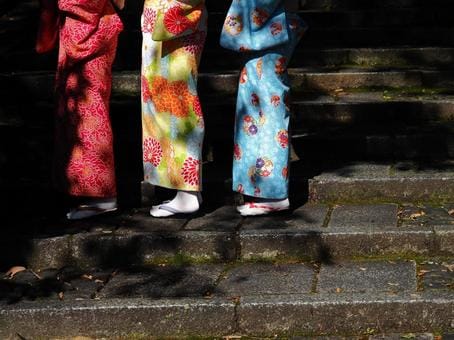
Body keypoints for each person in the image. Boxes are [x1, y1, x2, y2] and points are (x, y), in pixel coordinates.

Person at [36, 0, 124, 219]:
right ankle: (88, 190)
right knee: (84, 110)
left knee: (91, 112)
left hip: (89, 30)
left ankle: (101, 194)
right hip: (93, 28)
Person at [220, 0, 306, 216]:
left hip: (269, 28)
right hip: (270, 25)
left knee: (268, 107)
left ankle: (274, 193)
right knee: (260, 105)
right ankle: (265, 190)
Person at [141, 0, 207, 217]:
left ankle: (187, 192)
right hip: (163, 17)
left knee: (179, 101)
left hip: (174, 17)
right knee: (165, 100)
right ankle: (187, 191)